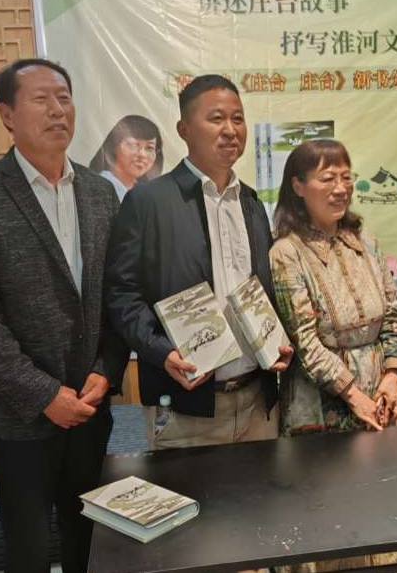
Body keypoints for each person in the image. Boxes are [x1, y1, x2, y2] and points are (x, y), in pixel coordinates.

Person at [0, 58, 127, 573]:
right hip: (21, 413)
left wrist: (106, 370)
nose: (57, 111)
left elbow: (116, 293)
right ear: (6, 114)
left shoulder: (99, 192)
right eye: (41, 99)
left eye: (64, 98)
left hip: (90, 402)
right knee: (27, 544)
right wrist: (43, 394)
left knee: (88, 535)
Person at [105, 74, 292, 449]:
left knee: (263, 490)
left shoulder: (252, 202)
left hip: (257, 401)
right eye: (216, 118)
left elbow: (260, 292)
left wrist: (276, 340)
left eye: (237, 119)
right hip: (186, 406)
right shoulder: (148, 202)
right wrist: (162, 352)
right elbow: (121, 294)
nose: (230, 130)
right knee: (189, 491)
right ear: (184, 129)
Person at [271, 139, 397, 434]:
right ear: (298, 186)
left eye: (346, 177)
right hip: (319, 406)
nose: (341, 188)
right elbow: (304, 341)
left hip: (381, 394)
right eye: (328, 179)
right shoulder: (286, 252)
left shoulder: (367, 242)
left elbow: (393, 315)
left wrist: (393, 374)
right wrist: (353, 395)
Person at [88, 114, 164, 200]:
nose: (142, 154)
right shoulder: (99, 187)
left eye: (149, 148)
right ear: (114, 145)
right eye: (133, 145)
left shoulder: (146, 192)